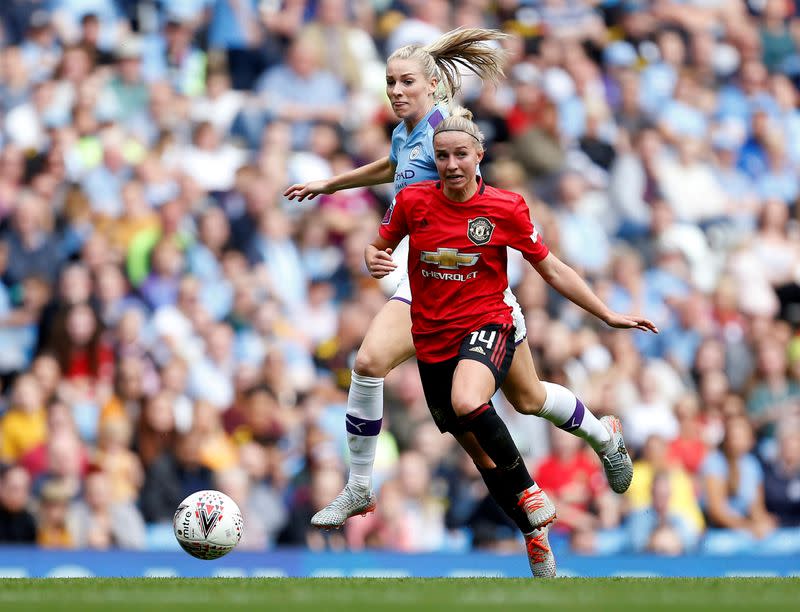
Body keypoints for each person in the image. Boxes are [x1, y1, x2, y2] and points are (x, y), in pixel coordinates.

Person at [285, 28, 634, 532]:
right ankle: (361, 485)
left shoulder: (444, 137)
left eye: (407, 82)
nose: (396, 91)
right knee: (368, 362)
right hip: (425, 283)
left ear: (432, 85)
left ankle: (604, 438)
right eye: (390, 82)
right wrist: (332, 183)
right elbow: (394, 165)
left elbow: (496, 216)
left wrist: (603, 312)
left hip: (473, 289)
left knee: (529, 399)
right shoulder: (407, 132)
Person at [367, 108, 657, 576]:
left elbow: (553, 267)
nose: (452, 164)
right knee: (514, 417)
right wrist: (371, 258)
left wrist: (606, 313)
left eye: (461, 154)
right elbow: (378, 243)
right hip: (433, 336)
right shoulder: (413, 201)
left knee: (469, 400)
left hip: (489, 320)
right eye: (442, 156)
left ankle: (532, 487)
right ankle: (536, 531)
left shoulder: (506, 207)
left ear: (480, 155)